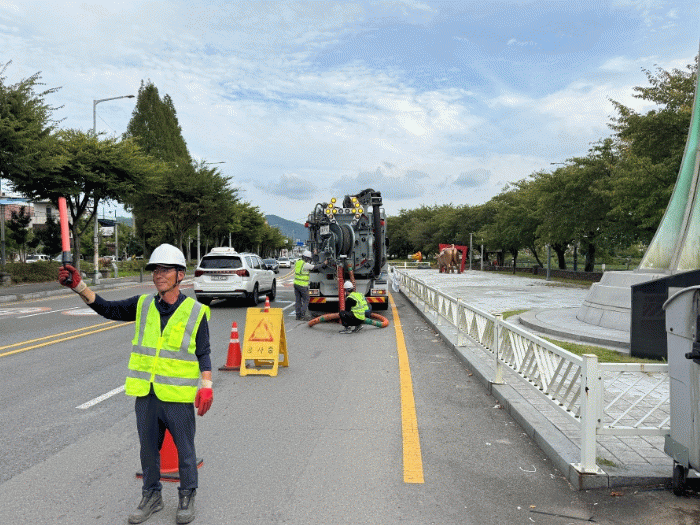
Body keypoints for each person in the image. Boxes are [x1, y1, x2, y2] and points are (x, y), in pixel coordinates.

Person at [58, 243, 212, 525]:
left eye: (165, 270)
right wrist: (79, 287)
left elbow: (203, 352)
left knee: (185, 450)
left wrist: (206, 385)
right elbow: (107, 308)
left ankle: (187, 495)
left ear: (180, 274)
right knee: (148, 450)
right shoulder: (142, 305)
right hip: (147, 394)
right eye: (155, 270)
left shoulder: (195, 311)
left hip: (177, 396)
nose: (158, 275)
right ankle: (151, 496)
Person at [293, 249, 325, 321]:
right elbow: (315, 267)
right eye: (309, 259)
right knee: (306, 299)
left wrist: (314, 254)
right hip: (302, 285)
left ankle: (298, 316)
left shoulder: (298, 262)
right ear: (307, 258)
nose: (309, 260)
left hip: (296, 284)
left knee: (298, 301)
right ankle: (302, 315)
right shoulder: (306, 265)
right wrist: (324, 264)